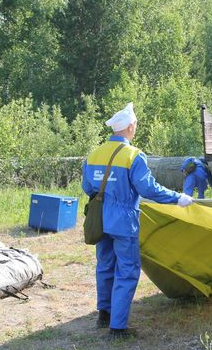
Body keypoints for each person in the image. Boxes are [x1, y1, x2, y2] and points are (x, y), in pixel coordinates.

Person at [82, 102, 194, 337]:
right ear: (131, 127)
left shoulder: (93, 155)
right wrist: (177, 198)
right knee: (127, 270)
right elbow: (149, 189)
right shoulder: (133, 156)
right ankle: (118, 327)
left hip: (100, 219)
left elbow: (87, 187)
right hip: (123, 221)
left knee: (104, 266)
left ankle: (104, 314)